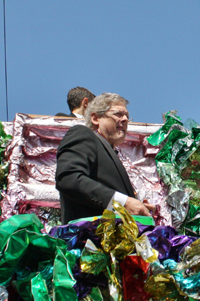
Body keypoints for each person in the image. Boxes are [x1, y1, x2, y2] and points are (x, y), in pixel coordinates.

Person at [56, 92, 155, 223]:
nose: (125, 119)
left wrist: (137, 206)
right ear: (95, 118)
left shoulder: (110, 151)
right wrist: (123, 203)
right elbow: (69, 179)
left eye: (127, 116)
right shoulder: (82, 134)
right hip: (89, 239)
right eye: (118, 114)